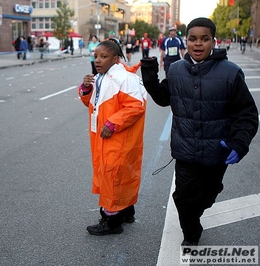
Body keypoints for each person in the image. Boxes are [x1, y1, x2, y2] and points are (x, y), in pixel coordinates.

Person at [140, 17, 259, 246]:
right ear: (186, 41)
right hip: (185, 152)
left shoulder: (231, 73)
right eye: (193, 39)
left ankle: (206, 198)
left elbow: (247, 115)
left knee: (206, 196)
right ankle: (191, 235)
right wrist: (150, 76)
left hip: (216, 154)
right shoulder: (176, 70)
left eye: (204, 39)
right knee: (183, 198)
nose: (198, 44)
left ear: (213, 41)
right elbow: (164, 98)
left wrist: (239, 143)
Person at [78, 40, 147, 236]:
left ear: (115, 59)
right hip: (106, 137)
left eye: (103, 56)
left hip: (118, 137)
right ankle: (126, 210)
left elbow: (135, 106)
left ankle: (111, 220)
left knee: (112, 175)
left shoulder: (124, 78)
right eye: (96, 56)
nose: (97, 60)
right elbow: (94, 104)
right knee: (117, 175)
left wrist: (112, 123)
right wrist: (85, 88)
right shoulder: (102, 77)